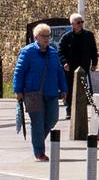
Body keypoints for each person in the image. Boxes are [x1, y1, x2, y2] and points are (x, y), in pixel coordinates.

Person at [12, 23, 64, 161]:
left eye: (48, 36)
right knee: (38, 123)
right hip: (33, 94)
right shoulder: (27, 52)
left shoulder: (53, 52)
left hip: (51, 92)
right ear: (36, 37)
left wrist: (64, 89)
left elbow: (59, 71)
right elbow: (19, 72)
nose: (46, 39)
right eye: (43, 36)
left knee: (53, 119)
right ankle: (39, 152)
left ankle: (38, 139)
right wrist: (18, 90)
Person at [57, 15, 97, 126]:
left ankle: (81, 109)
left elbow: (93, 50)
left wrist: (94, 63)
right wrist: (64, 62)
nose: (80, 24)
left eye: (81, 22)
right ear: (72, 24)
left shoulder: (89, 35)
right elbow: (60, 51)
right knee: (69, 89)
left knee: (85, 88)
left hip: (84, 67)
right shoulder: (66, 37)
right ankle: (69, 110)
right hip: (70, 69)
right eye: (78, 22)